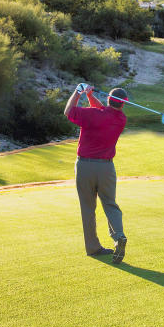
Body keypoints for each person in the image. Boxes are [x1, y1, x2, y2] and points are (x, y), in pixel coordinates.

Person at [63, 83, 128, 263]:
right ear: (123, 104)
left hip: (85, 166)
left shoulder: (92, 114)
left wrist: (78, 92)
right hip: (106, 168)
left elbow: (68, 111)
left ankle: (93, 247)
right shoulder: (121, 119)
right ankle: (119, 236)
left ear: (108, 99)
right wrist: (90, 95)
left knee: (88, 207)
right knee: (110, 204)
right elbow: (103, 111)